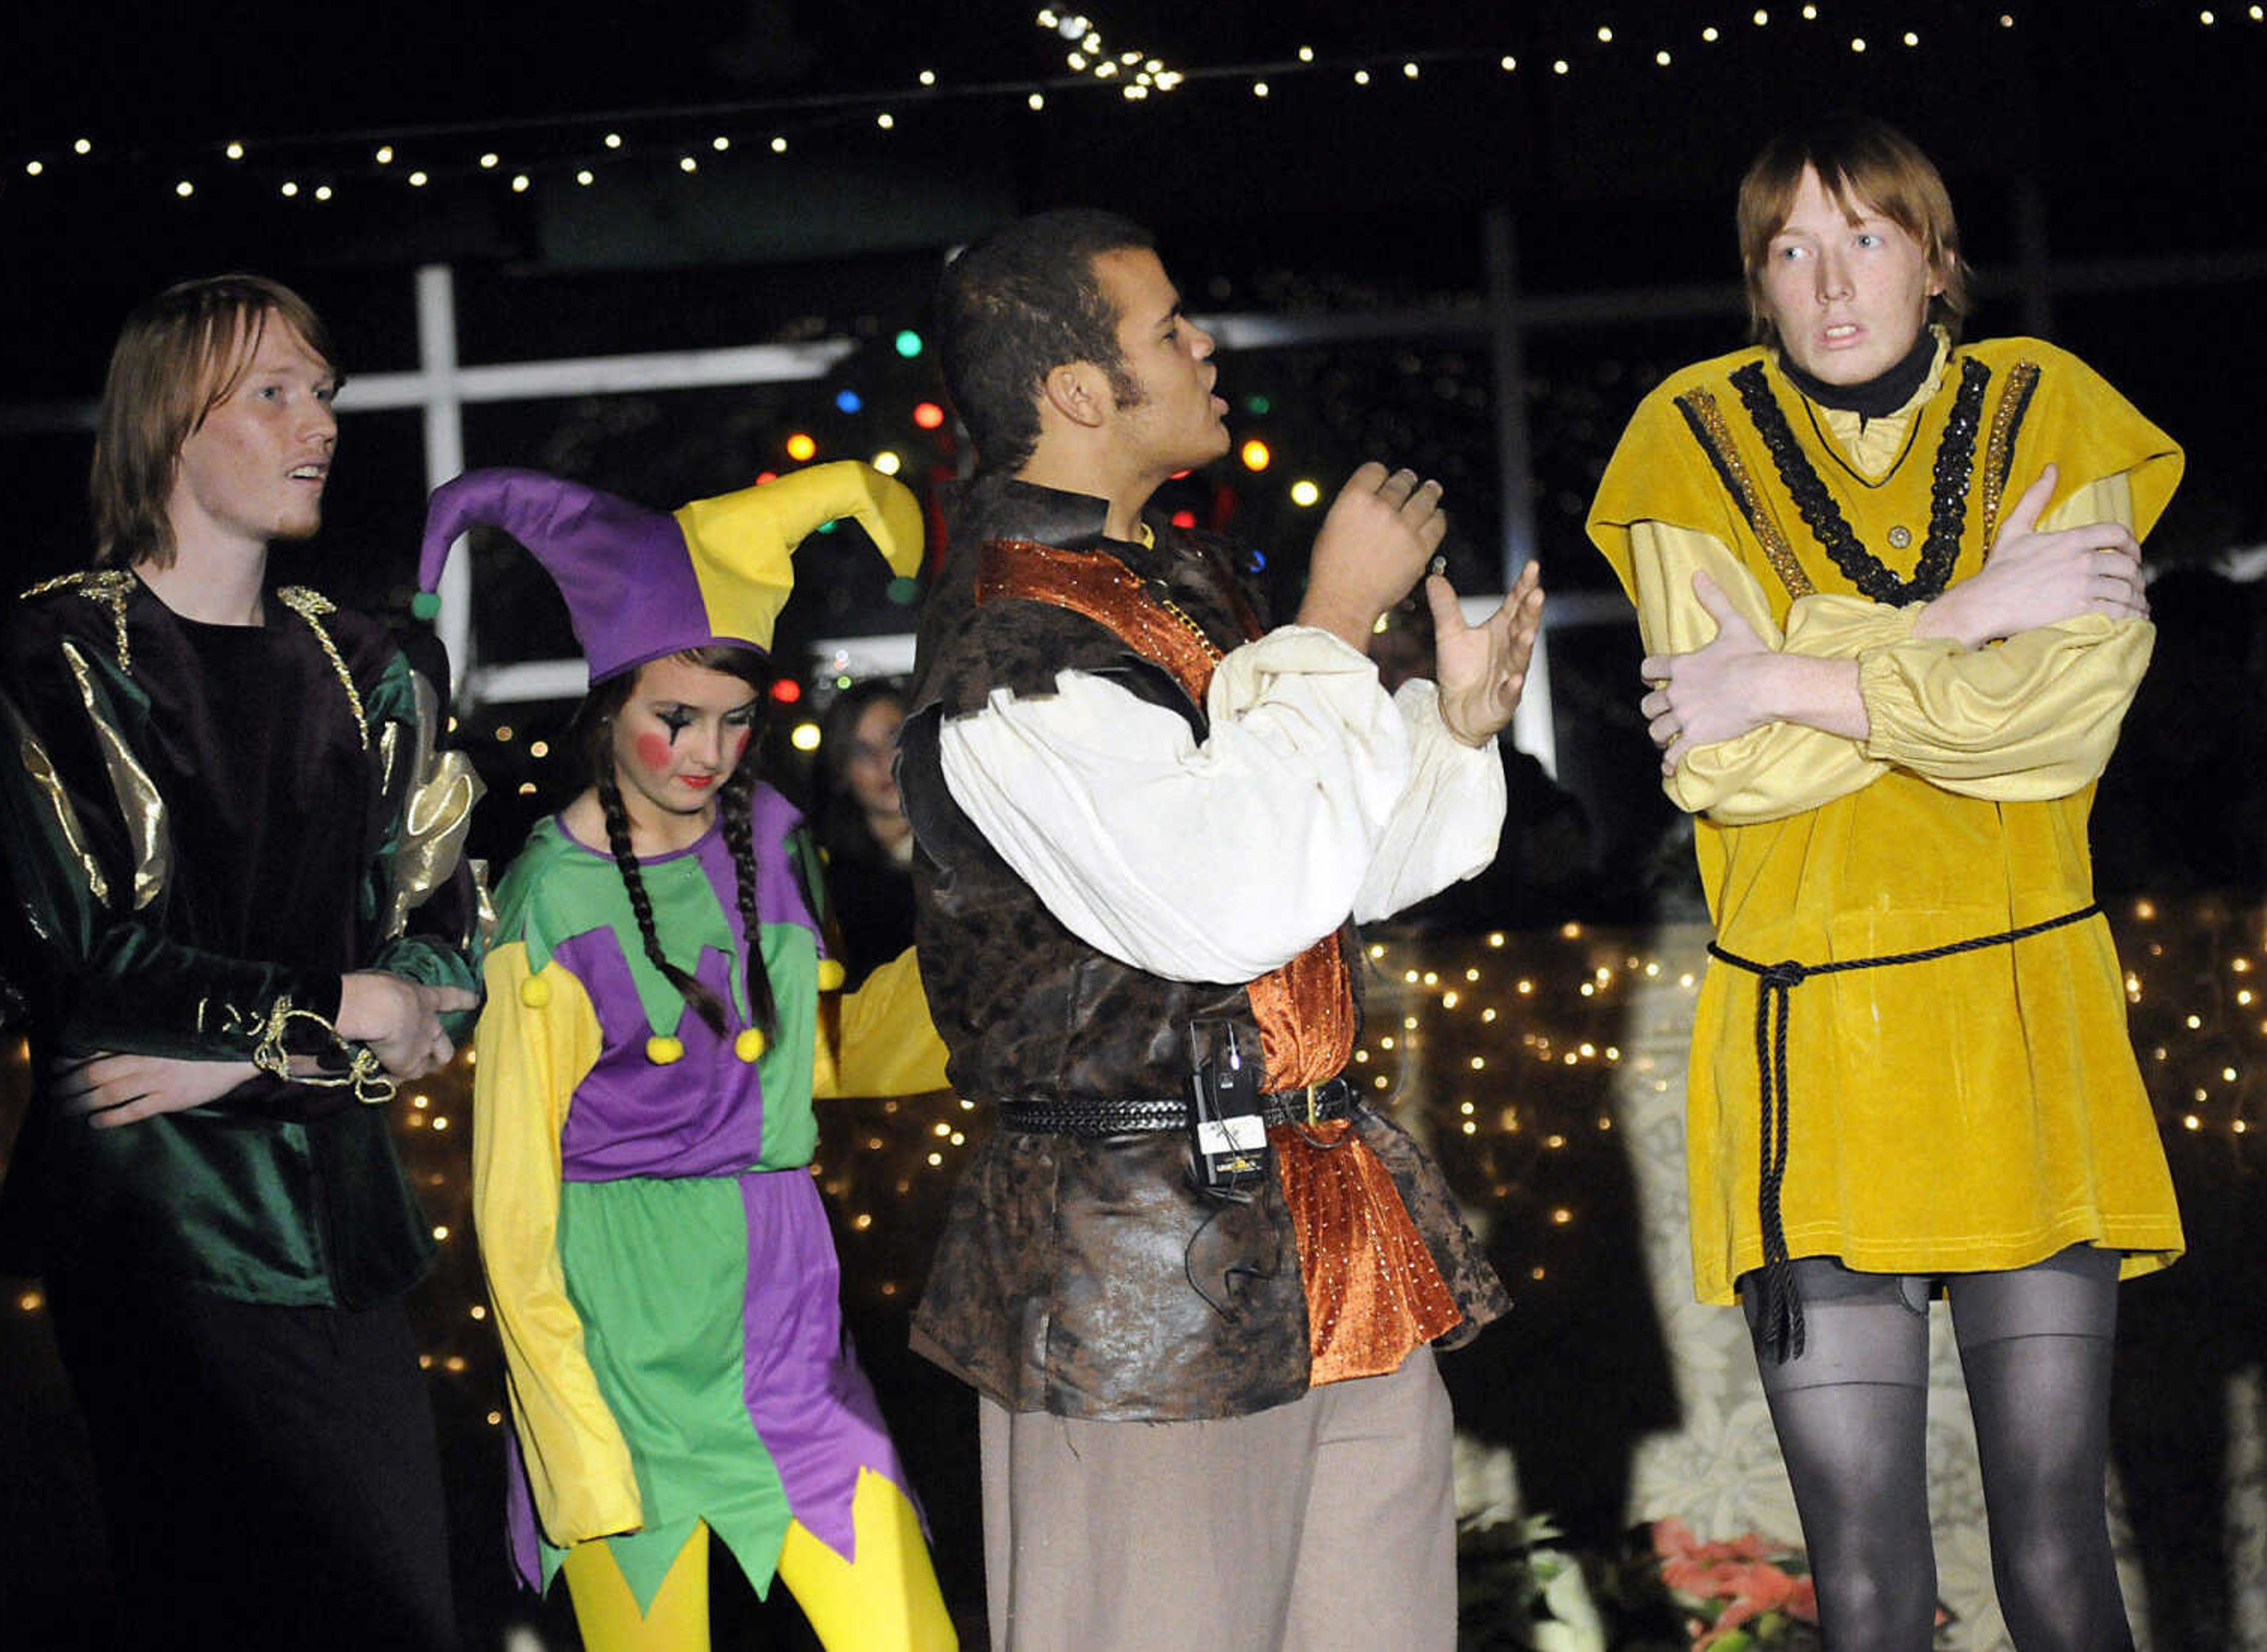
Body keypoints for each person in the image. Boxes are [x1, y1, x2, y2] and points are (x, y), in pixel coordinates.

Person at [900, 207, 1543, 1650]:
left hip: (1319, 1217)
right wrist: (1327, 615)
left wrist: (1450, 725)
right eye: (1167, 328)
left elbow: (1339, 873)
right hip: (1133, 1258)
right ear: (1075, 390)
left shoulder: (1169, 590)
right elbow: (1224, 899)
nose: (1204, 348)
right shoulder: (1010, 652)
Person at [1587, 115, 2183, 1652]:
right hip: (1817, 1063)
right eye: (1787, 250)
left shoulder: (2051, 410)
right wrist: (1966, 611)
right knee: (1860, 1581)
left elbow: (2060, 733)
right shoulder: (1684, 434)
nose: (1829, 282)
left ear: (1933, 255)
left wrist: (1780, 672)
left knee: (2056, 1557)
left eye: (1862, 237)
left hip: (2014, 1026)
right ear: (1754, 283)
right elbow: (1721, 769)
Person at [0, 274, 486, 1649]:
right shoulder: (65, 654)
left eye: (325, 392)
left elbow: (437, 947)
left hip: (335, 1223)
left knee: (400, 1605)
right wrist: (346, 1011)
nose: (317, 422)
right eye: (274, 392)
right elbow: (93, 956)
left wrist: (257, 1049)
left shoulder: (375, 667)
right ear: (172, 424)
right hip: (165, 1232)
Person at [424, 463, 957, 1652]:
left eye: (734, 719)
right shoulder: (548, 903)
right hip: (625, 1343)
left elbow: (809, 1066)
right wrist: (570, 1436)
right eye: (674, 716)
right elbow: (513, 1204)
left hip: (785, 1325)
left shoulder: (771, 837)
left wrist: (981, 962)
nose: (706, 751)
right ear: (607, 707)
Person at [813, 677, 916, 975]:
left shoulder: (971, 854)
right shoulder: (826, 886)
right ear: (841, 769)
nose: (882, 761)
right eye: (861, 750)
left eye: (893, 739)